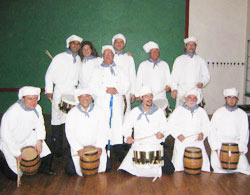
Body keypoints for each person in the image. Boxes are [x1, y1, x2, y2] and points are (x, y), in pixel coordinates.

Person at [0, 86, 56, 181]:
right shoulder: (12, 113)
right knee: (15, 176)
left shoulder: (37, 108)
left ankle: (43, 169)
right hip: (12, 142)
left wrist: (39, 141)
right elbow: (5, 136)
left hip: (28, 136)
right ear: (22, 99)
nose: (33, 102)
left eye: (35, 98)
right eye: (30, 99)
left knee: (46, 153)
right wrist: (16, 153)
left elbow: (40, 125)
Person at [118, 86, 175, 177]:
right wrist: (128, 136)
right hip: (138, 146)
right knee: (125, 172)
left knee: (170, 170)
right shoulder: (134, 112)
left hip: (155, 145)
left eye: (151, 96)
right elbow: (126, 127)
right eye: (146, 96)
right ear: (141, 98)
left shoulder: (159, 112)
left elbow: (165, 128)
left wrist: (162, 134)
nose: (149, 99)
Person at [90, 45, 130, 163]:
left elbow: (126, 84)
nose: (108, 56)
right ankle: (102, 150)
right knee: (103, 125)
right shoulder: (97, 70)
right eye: (106, 54)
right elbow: (92, 86)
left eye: (110, 54)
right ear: (103, 56)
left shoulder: (120, 69)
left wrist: (116, 90)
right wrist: (106, 90)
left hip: (116, 102)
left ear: (113, 56)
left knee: (117, 126)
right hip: (102, 102)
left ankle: (118, 150)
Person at [45, 34, 83, 157]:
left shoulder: (78, 59)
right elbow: (49, 75)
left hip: (72, 92)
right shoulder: (59, 57)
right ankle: (56, 150)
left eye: (78, 44)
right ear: (69, 44)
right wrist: (49, 90)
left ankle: (69, 147)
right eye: (73, 43)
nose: (75, 45)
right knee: (57, 121)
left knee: (70, 121)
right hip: (59, 92)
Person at [64, 88, 108, 176]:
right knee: (70, 170)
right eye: (82, 97)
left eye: (87, 96)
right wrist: (78, 148)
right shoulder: (72, 113)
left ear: (91, 98)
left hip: (95, 146)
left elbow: (104, 130)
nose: (85, 99)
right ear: (78, 99)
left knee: (107, 167)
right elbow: (69, 133)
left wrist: (100, 146)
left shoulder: (99, 111)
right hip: (80, 148)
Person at [208, 88, 250, 175]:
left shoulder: (242, 114)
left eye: (234, 98)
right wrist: (215, 148)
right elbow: (212, 131)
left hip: (236, 145)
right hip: (220, 145)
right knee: (217, 167)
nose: (231, 100)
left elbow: (245, 133)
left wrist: (241, 149)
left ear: (237, 100)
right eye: (229, 97)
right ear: (225, 99)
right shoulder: (218, 113)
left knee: (245, 168)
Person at [168, 89, 210, 172]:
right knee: (178, 168)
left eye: (194, 98)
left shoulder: (202, 112)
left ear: (197, 100)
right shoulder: (178, 111)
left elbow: (207, 126)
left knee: (203, 168)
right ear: (185, 99)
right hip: (182, 142)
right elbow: (170, 125)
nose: (192, 100)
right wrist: (177, 134)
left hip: (197, 142)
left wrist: (203, 133)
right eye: (189, 97)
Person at [171, 36, 210, 107]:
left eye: (193, 45)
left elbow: (206, 76)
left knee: (196, 115)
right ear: (185, 46)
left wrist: (202, 82)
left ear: (195, 47)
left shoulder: (201, 60)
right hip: (182, 93)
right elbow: (174, 77)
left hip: (196, 93)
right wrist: (174, 89)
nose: (191, 46)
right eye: (189, 44)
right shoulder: (179, 60)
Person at [136, 41, 171, 113]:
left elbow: (169, 80)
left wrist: (169, 86)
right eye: (153, 51)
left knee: (161, 117)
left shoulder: (164, 64)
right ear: (149, 53)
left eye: (157, 51)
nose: (155, 53)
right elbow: (138, 81)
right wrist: (138, 94)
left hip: (161, 98)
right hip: (147, 98)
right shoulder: (143, 65)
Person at [112, 33, 137, 113]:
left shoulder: (129, 58)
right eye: (117, 42)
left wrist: (133, 92)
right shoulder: (108, 56)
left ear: (124, 44)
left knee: (125, 114)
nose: (119, 44)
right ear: (113, 44)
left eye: (121, 42)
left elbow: (132, 75)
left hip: (126, 92)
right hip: (111, 91)